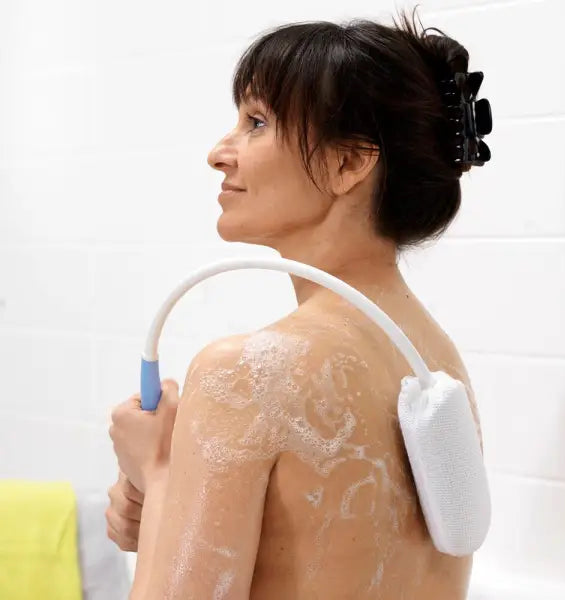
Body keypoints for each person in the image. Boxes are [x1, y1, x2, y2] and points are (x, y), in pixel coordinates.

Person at [106, 8, 489, 599]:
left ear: (347, 163)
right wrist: (168, 507)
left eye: (256, 122)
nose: (219, 152)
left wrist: (157, 471)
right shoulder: (436, 364)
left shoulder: (247, 374)